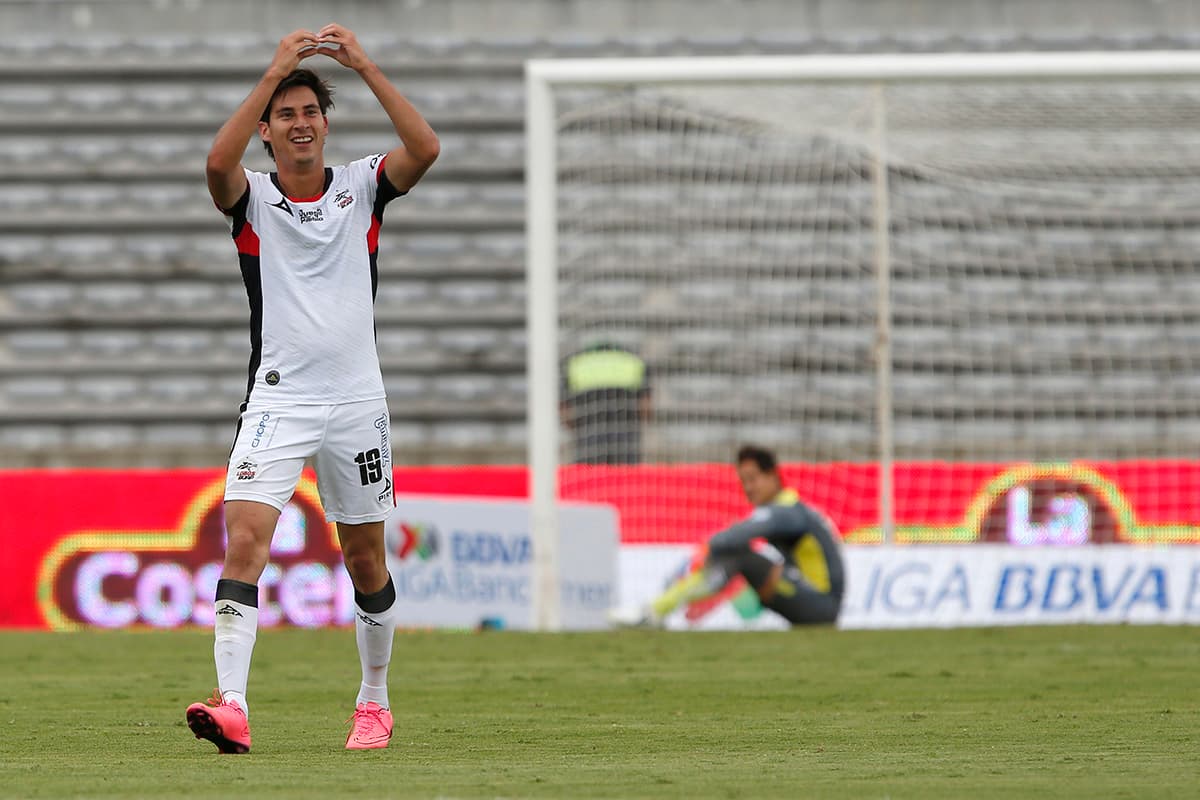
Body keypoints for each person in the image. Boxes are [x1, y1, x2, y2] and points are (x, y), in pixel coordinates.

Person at [184, 24, 439, 754]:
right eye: (286, 115)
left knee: (365, 560)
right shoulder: (251, 200)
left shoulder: (363, 188)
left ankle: (375, 702)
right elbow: (214, 162)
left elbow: (426, 149)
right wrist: (272, 74)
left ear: (325, 124)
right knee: (243, 544)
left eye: (310, 112)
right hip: (278, 401)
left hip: (358, 402)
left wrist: (361, 63)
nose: (301, 124)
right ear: (268, 130)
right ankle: (232, 704)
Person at [610, 444, 845, 628]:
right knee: (735, 555)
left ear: (773, 476)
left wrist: (710, 547)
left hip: (821, 605)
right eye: (744, 482)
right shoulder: (794, 510)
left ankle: (655, 611)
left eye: (753, 479)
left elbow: (734, 536)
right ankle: (657, 610)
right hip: (814, 600)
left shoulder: (786, 512)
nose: (749, 488)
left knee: (738, 555)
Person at [559, 341, 652, 464]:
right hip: (625, 442)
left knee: (589, 480)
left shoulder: (574, 364)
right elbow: (645, 407)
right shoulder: (634, 362)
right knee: (625, 481)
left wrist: (577, 429)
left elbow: (565, 411)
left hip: (588, 442)